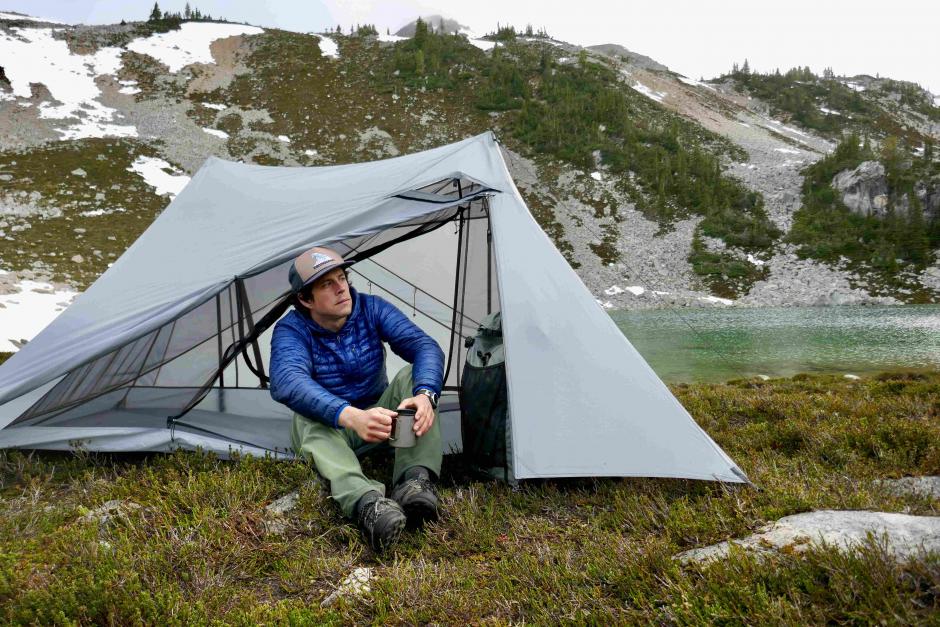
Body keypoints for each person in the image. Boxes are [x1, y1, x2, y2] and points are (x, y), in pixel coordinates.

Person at [269, 246, 445, 552]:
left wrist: (426, 394)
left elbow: (424, 346)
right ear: (305, 299)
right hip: (334, 427)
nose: (342, 289)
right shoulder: (291, 330)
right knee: (306, 419)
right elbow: (287, 382)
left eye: (342, 277)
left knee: (410, 378)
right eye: (327, 284)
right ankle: (369, 504)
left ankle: (414, 481)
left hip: (381, 422)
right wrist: (350, 415)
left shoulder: (370, 308)